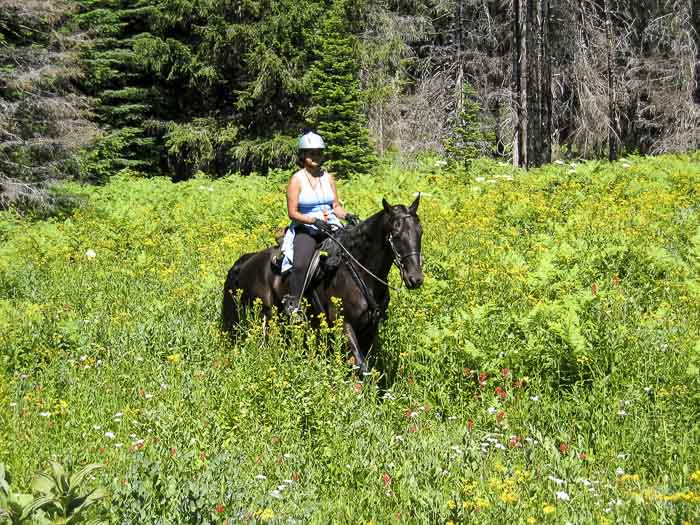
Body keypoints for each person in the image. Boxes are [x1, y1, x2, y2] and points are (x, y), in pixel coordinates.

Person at [280, 131, 359, 316]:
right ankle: (295, 305)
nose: (315, 157)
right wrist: (313, 220)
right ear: (303, 155)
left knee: (352, 254)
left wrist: (348, 216)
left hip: (330, 227)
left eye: (318, 152)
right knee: (300, 263)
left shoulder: (328, 177)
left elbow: (335, 206)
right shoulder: (296, 180)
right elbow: (292, 213)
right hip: (306, 229)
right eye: (311, 153)